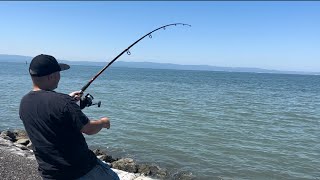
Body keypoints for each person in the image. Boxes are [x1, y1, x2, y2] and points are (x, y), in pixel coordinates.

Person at [19, 54, 120, 180]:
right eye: (58, 73)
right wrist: (103, 122)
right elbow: (89, 129)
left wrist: (69, 100)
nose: (59, 77)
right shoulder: (63, 102)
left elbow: (49, 114)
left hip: (50, 173)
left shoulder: (24, 102)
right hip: (79, 170)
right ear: (52, 76)